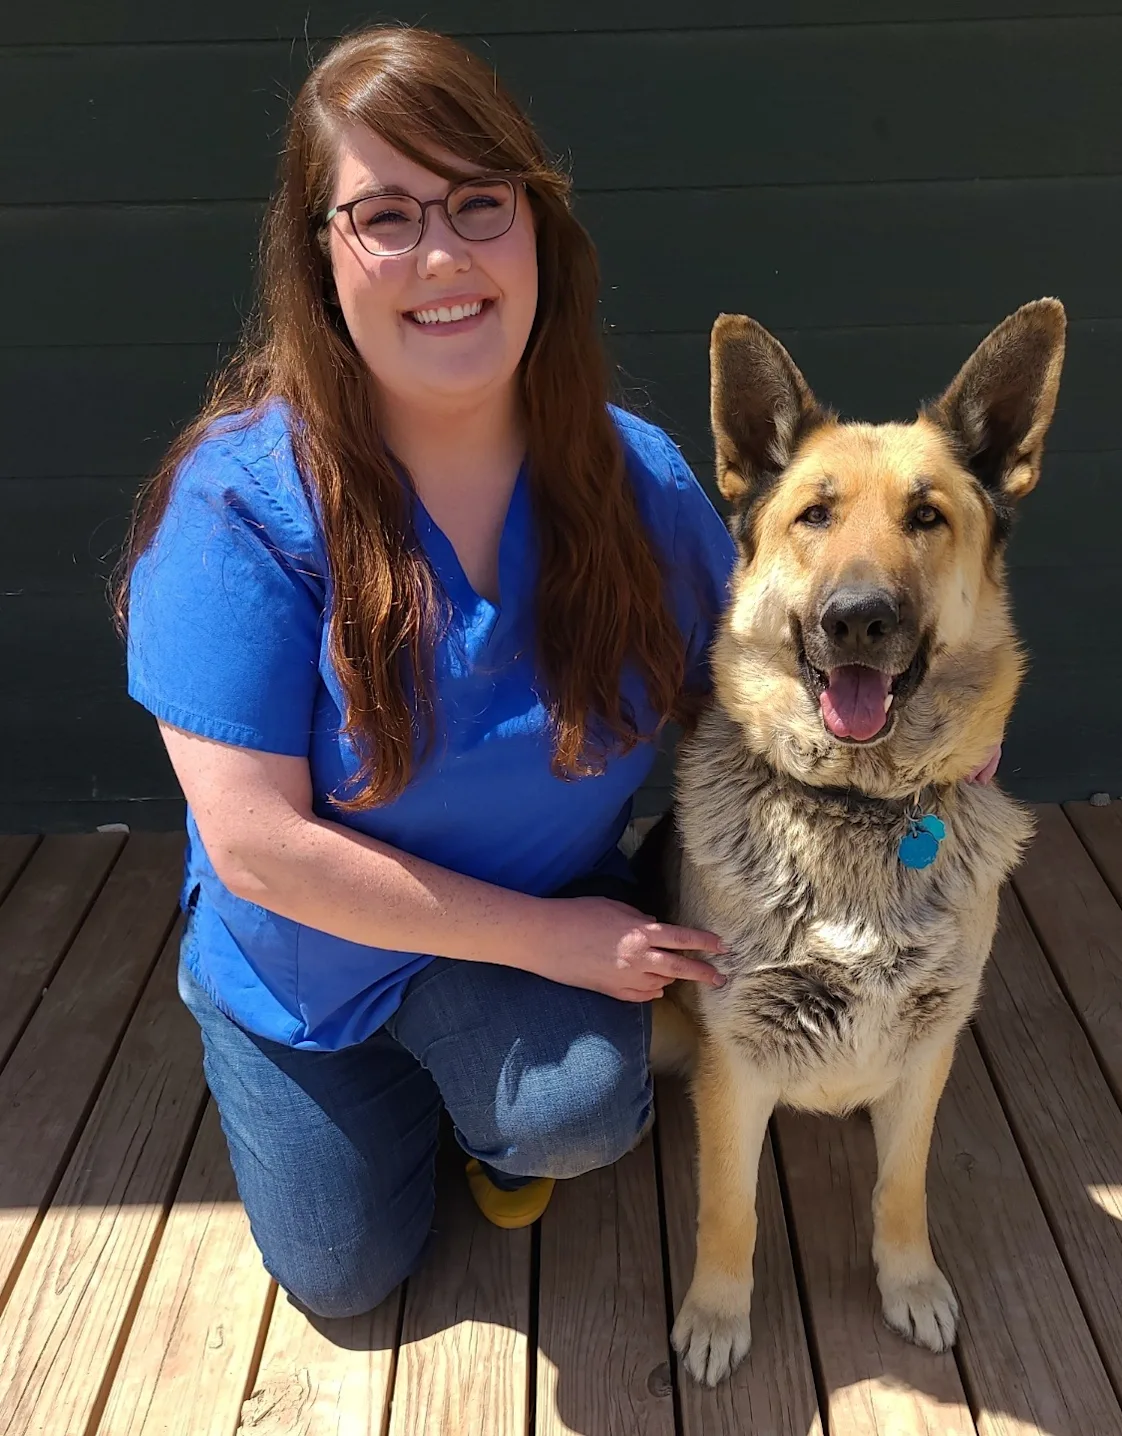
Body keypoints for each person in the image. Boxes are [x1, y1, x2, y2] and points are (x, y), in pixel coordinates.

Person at [119, 26, 734, 1321]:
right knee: (342, 1279)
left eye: (476, 203)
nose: (442, 254)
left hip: (524, 934)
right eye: (385, 215)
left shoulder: (637, 482)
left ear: (535, 232)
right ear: (316, 255)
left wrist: (928, 731)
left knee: (573, 1119)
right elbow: (260, 849)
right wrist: (561, 941)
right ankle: (340, 1077)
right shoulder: (237, 511)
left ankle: (489, 1113)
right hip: (312, 962)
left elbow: (752, 687)